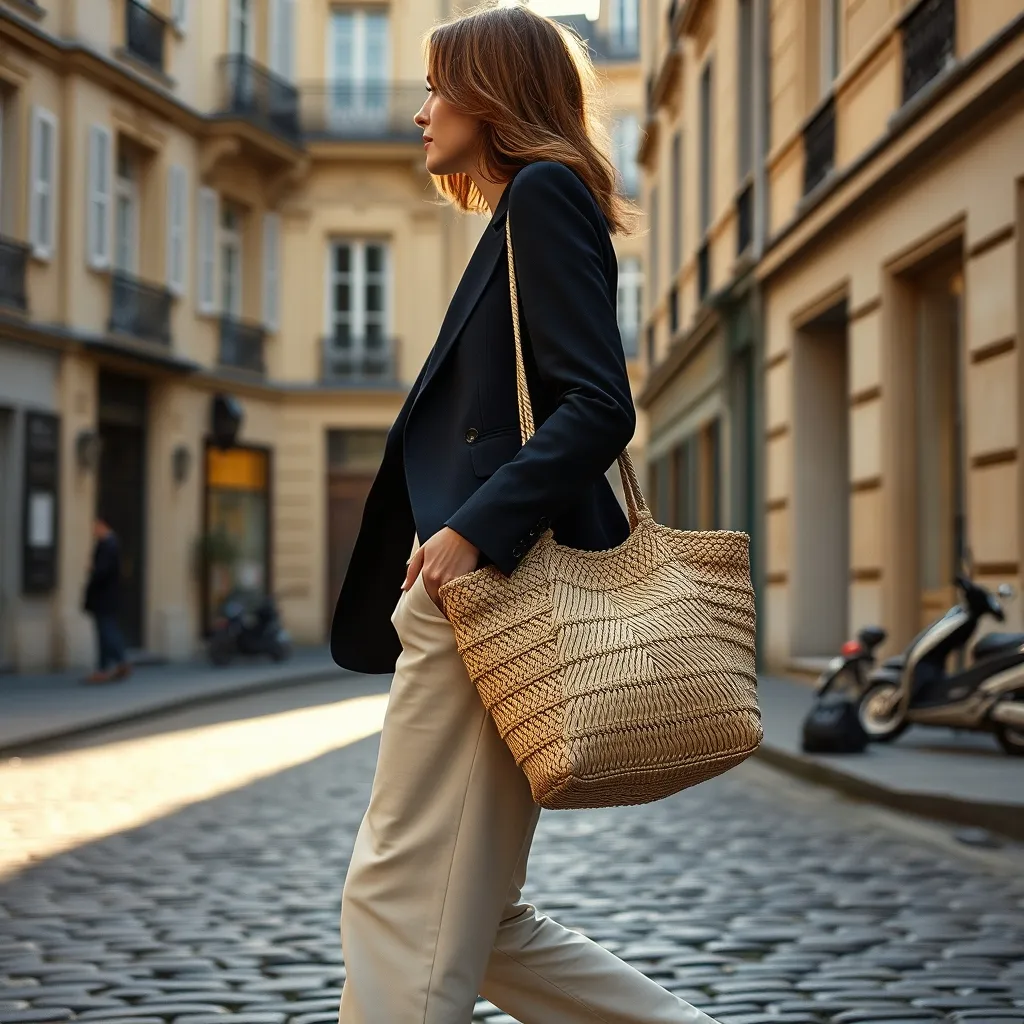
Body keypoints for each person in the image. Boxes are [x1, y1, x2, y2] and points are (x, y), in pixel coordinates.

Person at [329, 4, 719, 1023]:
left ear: (491, 93)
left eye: (435, 87)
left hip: (489, 595)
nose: (418, 112)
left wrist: (466, 535)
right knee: (476, 920)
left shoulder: (544, 195)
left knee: (396, 895)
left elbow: (597, 404)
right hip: (484, 592)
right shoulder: (531, 206)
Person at [82, 514, 131, 685]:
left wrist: (93, 569)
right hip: (105, 598)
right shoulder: (108, 544)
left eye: (96, 526)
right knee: (105, 633)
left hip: (104, 598)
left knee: (106, 632)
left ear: (104, 526)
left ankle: (119, 661)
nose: (94, 530)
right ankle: (105, 668)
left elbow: (103, 572)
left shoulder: (109, 545)